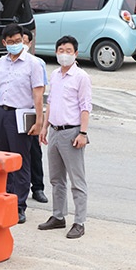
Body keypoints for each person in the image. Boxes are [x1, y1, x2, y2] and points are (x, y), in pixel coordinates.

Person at [0, 24, 44, 224]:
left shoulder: (33, 64)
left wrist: (39, 120)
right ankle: (6, 197)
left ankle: (19, 205)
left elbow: (38, 94)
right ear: (4, 43)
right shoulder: (1, 63)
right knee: (4, 160)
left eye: (18, 41)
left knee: (20, 161)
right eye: (10, 42)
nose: (14, 45)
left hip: (21, 115)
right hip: (2, 113)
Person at [38, 35, 92, 239]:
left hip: (72, 132)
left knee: (77, 180)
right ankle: (58, 216)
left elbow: (86, 107)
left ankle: (80, 221)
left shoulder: (81, 77)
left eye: (68, 51)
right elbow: (50, 102)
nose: (64, 54)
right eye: (61, 50)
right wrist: (44, 127)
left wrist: (83, 133)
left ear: (76, 54)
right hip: (54, 130)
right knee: (55, 178)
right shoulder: (55, 75)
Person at [25, 33, 49, 204]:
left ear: (30, 43)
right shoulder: (6, 62)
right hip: (13, 113)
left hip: (31, 112)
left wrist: (40, 118)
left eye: (24, 42)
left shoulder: (37, 63)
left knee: (34, 151)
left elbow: (41, 91)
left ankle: (38, 187)